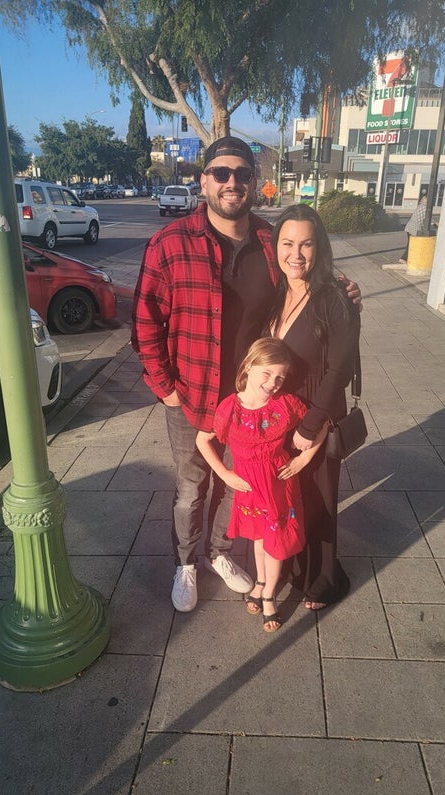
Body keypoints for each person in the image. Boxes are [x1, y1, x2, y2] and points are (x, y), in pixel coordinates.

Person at [132, 134, 361, 614]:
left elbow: (303, 279)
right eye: (221, 173)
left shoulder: (268, 241)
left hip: (254, 401)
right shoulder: (170, 244)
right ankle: (186, 563)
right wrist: (164, 388)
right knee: (192, 487)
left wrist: (342, 290)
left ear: (255, 182)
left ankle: (219, 552)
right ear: (204, 181)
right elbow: (145, 322)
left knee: (242, 483)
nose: (232, 182)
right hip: (192, 395)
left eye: (242, 174)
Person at [265, 204, 361, 610]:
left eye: (306, 244)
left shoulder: (334, 297)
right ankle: (293, 568)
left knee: (319, 501)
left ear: (319, 247)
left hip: (315, 417)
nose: (296, 254)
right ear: (276, 246)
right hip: (280, 419)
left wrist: (311, 424)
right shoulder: (277, 293)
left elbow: (339, 369)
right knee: (290, 499)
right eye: (287, 243)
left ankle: (325, 578)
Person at [196, 338, 326, 632]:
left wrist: (304, 459)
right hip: (250, 488)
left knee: (276, 543)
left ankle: (268, 595)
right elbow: (202, 440)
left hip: (279, 485)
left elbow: (321, 424)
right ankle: (261, 581)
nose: (273, 383)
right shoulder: (229, 408)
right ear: (249, 366)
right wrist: (224, 473)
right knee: (258, 538)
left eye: (280, 377)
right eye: (267, 373)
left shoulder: (285, 404)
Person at [400, 194, 428, 263]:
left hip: (409, 227)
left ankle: (405, 258)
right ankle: (404, 258)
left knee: (410, 243)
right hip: (415, 229)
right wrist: (436, 223)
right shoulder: (425, 209)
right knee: (412, 244)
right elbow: (428, 220)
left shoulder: (419, 206)